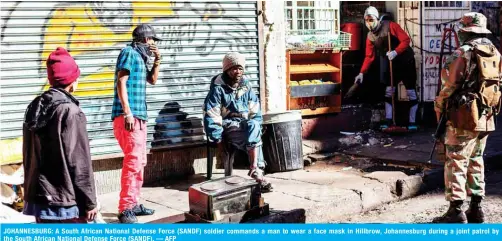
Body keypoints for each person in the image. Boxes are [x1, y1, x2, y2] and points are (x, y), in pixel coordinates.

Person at [433, 12, 501, 223]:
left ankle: (455, 210)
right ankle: (476, 208)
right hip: (486, 114)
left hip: (463, 115)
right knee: (476, 159)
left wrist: (439, 105)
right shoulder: (494, 52)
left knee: (456, 160)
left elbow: (449, 85)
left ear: (465, 31)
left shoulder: (462, 53)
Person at [22, 47, 98, 223]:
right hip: (64, 203)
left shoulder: (34, 108)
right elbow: (79, 162)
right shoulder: (70, 112)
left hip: (39, 199)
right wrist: (90, 202)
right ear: (72, 81)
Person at [111, 24, 161, 223]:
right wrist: (128, 113)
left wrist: (157, 60)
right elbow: (121, 82)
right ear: (146, 39)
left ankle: (133, 203)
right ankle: (125, 209)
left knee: (140, 161)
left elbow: (153, 80)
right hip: (129, 117)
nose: (154, 44)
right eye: (153, 41)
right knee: (133, 162)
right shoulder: (128, 52)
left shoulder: (141, 57)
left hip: (140, 116)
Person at [203, 52, 273, 192]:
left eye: (240, 68)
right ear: (227, 70)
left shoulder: (246, 86)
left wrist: (256, 126)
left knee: (254, 127)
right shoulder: (217, 89)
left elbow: (255, 111)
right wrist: (217, 138)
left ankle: (254, 168)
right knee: (254, 137)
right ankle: (257, 173)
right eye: (234, 68)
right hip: (227, 127)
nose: (238, 72)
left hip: (242, 126)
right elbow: (211, 115)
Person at [354, 6, 419, 131]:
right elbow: (369, 56)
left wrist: (396, 51)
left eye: (371, 19)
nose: (369, 23)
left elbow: (406, 40)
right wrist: (362, 72)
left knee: (411, 92)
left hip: (406, 62)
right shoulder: (370, 37)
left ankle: (412, 121)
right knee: (389, 91)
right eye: (366, 20)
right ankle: (389, 121)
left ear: (377, 19)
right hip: (392, 64)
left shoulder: (391, 26)